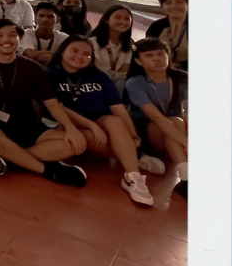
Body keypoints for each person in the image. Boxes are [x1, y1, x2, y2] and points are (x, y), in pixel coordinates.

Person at [0, 19, 88, 185]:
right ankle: (47, 170)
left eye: (12, 35)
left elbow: (52, 103)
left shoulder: (33, 68)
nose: (6, 40)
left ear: (19, 39)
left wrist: (70, 127)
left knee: (73, 144)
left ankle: (12, 158)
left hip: (27, 125)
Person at [48, 35, 157, 205]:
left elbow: (118, 109)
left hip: (101, 122)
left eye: (86, 54)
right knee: (90, 137)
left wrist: (134, 136)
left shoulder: (99, 76)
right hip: (72, 125)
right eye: (74, 51)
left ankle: (133, 177)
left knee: (115, 121)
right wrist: (92, 126)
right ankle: (133, 157)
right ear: (62, 52)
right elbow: (58, 107)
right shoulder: (50, 74)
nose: (80, 56)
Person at [124, 38, 189, 199]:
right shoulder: (135, 83)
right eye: (149, 55)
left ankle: (187, 176)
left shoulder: (182, 78)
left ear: (168, 55)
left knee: (178, 121)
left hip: (175, 129)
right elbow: (157, 118)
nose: (157, 59)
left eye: (160, 54)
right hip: (147, 133)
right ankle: (187, 177)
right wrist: (187, 143)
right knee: (174, 121)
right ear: (139, 61)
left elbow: (189, 112)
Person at [90, 4, 138, 89]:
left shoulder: (129, 44)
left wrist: (113, 73)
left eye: (127, 19)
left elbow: (126, 71)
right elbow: (94, 70)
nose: (123, 22)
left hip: (118, 81)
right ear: (106, 20)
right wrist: (114, 74)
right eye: (118, 18)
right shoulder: (93, 42)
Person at [144, 0, 189, 71]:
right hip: (160, 72)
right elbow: (149, 54)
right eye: (168, 3)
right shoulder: (156, 26)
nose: (174, 6)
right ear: (162, 6)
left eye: (179, 2)